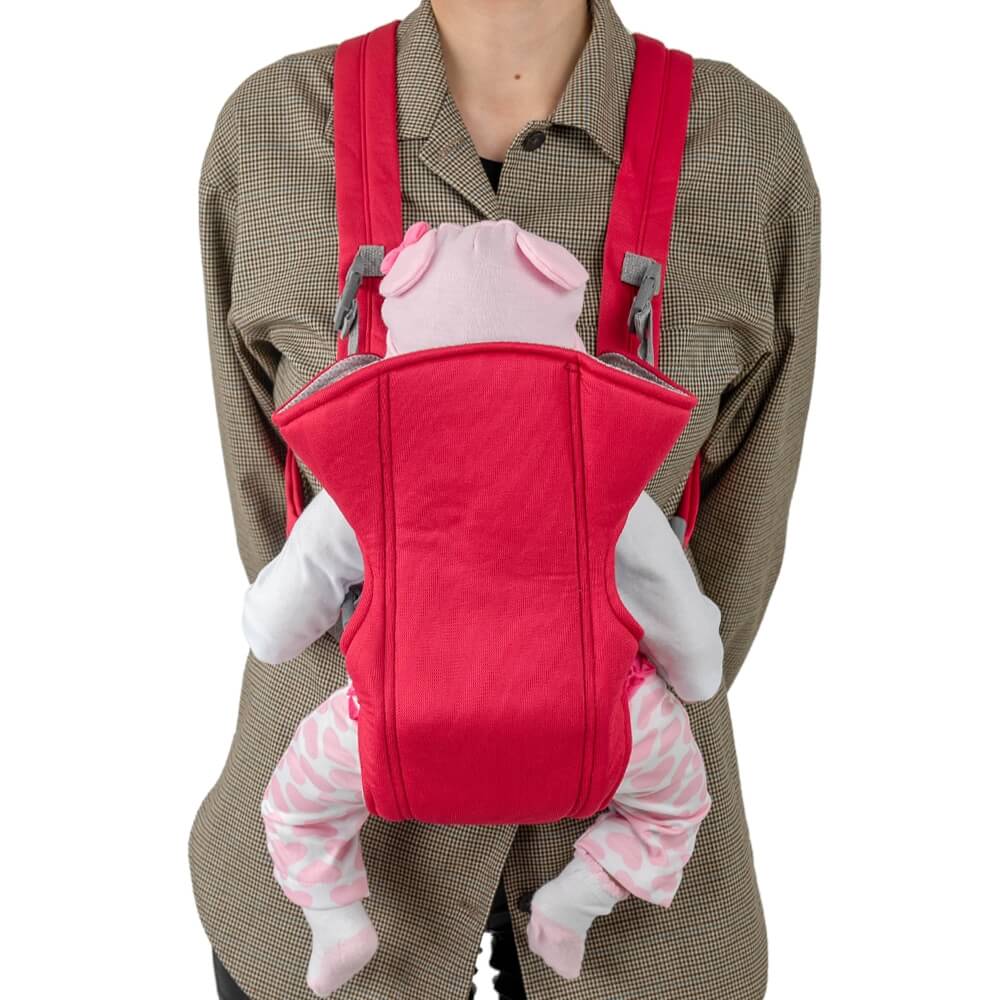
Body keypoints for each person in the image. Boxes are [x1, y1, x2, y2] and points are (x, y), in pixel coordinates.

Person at [191, 0, 821, 997]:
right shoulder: (271, 132)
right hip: (343, 864)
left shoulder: (744, 151)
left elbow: (744, 520)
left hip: (645, 947)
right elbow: (264, 488)